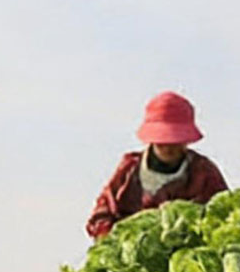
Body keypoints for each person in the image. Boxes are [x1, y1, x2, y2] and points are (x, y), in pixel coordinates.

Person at [85, 90, 230, 239]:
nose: (169, 147)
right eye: (162, 142)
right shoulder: (129, 169)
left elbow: (225, 216)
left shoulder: (204, 173)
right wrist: (112, 239)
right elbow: (101, 214)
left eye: (176, 142)